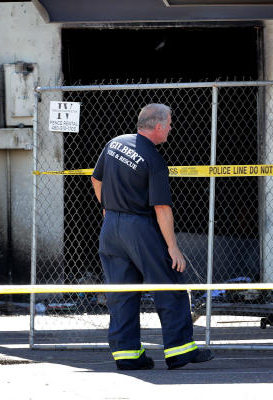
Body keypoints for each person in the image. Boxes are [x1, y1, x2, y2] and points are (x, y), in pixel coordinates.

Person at [91, 103, 214, 371]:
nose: (171, 128)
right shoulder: (154, 160)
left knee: (121, 291)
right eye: (169, 123)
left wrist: (109, 210)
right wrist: (173, 248)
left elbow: (95, 179)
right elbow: (162, 208)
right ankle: (180, 350)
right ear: (158, 126)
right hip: (140, 227)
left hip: (110, 227)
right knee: (168, 283)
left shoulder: (114, 144)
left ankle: (127, 355)